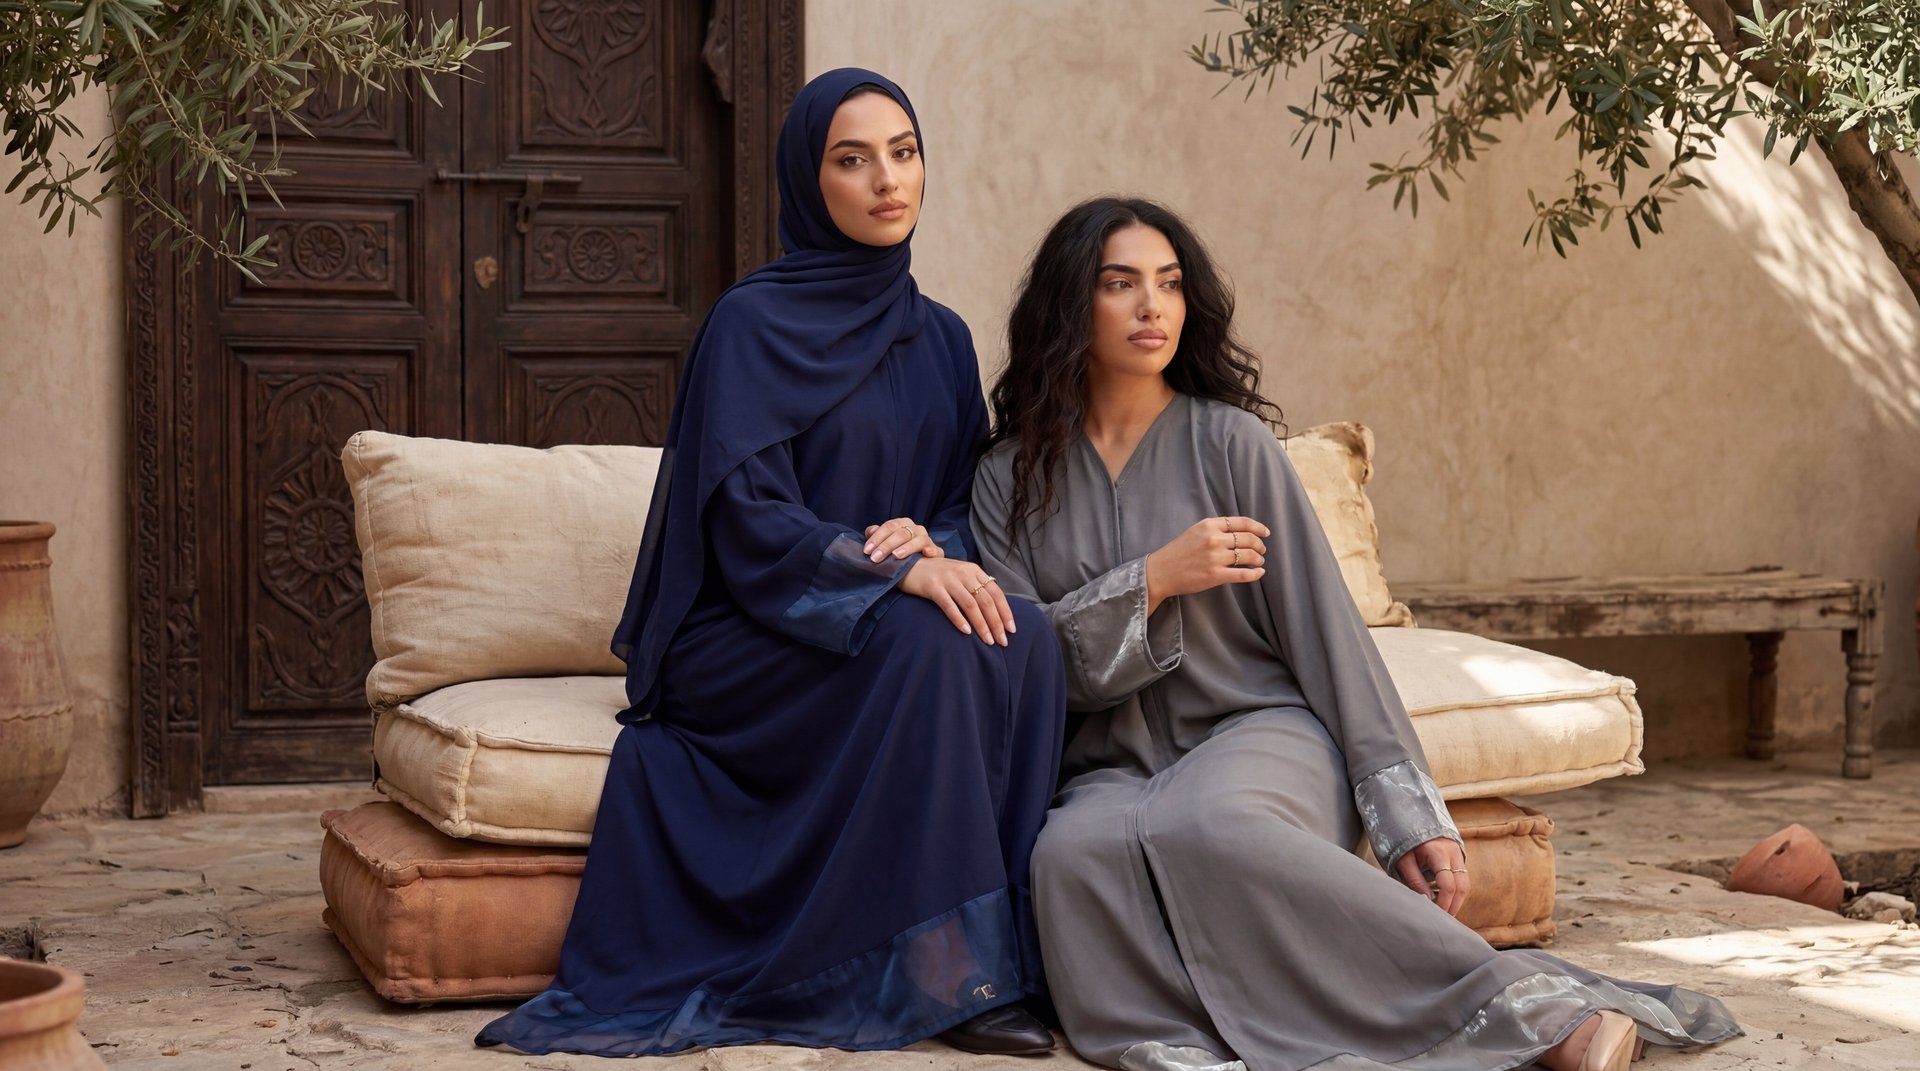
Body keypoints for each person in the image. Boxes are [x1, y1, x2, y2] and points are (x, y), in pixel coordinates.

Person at [970, 196, 1741, 1071]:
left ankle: (1535, 1013)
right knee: (1072, 856)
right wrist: (1153, 579)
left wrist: (1412, 816)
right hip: (1108, 762)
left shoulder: (1231, 446)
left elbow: (1329, 635)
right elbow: (1025, 660)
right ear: (1074, 303)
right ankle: (1197, 1043)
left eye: (1170, 283)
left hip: (1254, 730)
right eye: (1121, 284)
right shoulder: (1009, 477)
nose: (1154, 307)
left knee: (1213, 824)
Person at [476, 68, 1064, 1059]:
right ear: (808, 180)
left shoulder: (945, 339)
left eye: (903, 152)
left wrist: (935, 547)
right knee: (928, 643)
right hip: (750, 633)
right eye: (852, 158)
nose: (888, 179)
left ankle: (992, 952)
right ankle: (940, 975)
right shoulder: (752, 324)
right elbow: (746, 522)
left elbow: (963, 502)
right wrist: (885, 572)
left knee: (1025, 639)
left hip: (878, 612)